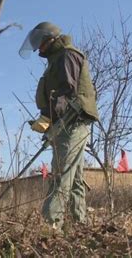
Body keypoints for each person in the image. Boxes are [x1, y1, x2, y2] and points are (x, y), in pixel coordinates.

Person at [19, 22, 99, 230]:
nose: (38, 48)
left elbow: (66, 93)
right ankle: (79, 227)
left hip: (72, 123)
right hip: (66, 123)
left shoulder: (67, 55)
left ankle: (50, 227)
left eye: (40, 42)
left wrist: (47, 117)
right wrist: (47, 121)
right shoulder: (56, 59)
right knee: (75, 179)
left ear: (49, 39)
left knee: (62, 175)